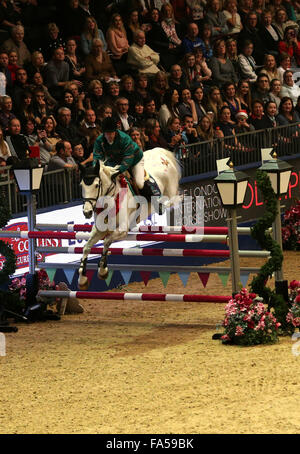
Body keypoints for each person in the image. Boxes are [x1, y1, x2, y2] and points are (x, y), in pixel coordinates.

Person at [93, 116, 158, 198]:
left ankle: (155, 197)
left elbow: (128, 158)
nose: (109, 136)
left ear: (115, 131)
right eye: (107, 133)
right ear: (103, 133)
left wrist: (118, 171)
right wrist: (96, 169)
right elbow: (97, 157)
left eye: (111, 133)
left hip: (135, 159)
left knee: (139, 183)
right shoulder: (99, 141)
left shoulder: (124, 138)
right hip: (116, 161)